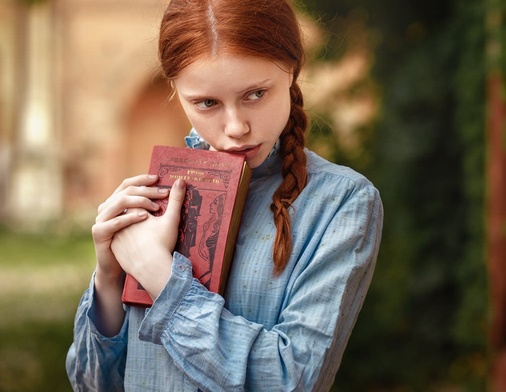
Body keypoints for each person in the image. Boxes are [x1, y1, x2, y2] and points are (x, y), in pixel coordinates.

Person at [65, 0, 384, 390]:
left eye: (255, 94)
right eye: (207, 103)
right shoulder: (152, 200)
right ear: (176, 90)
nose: (235, 127)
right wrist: (109, 279)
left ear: (292, 69)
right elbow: (92, 384)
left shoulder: (341, 202)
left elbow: (292, 380)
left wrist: (160, 278)